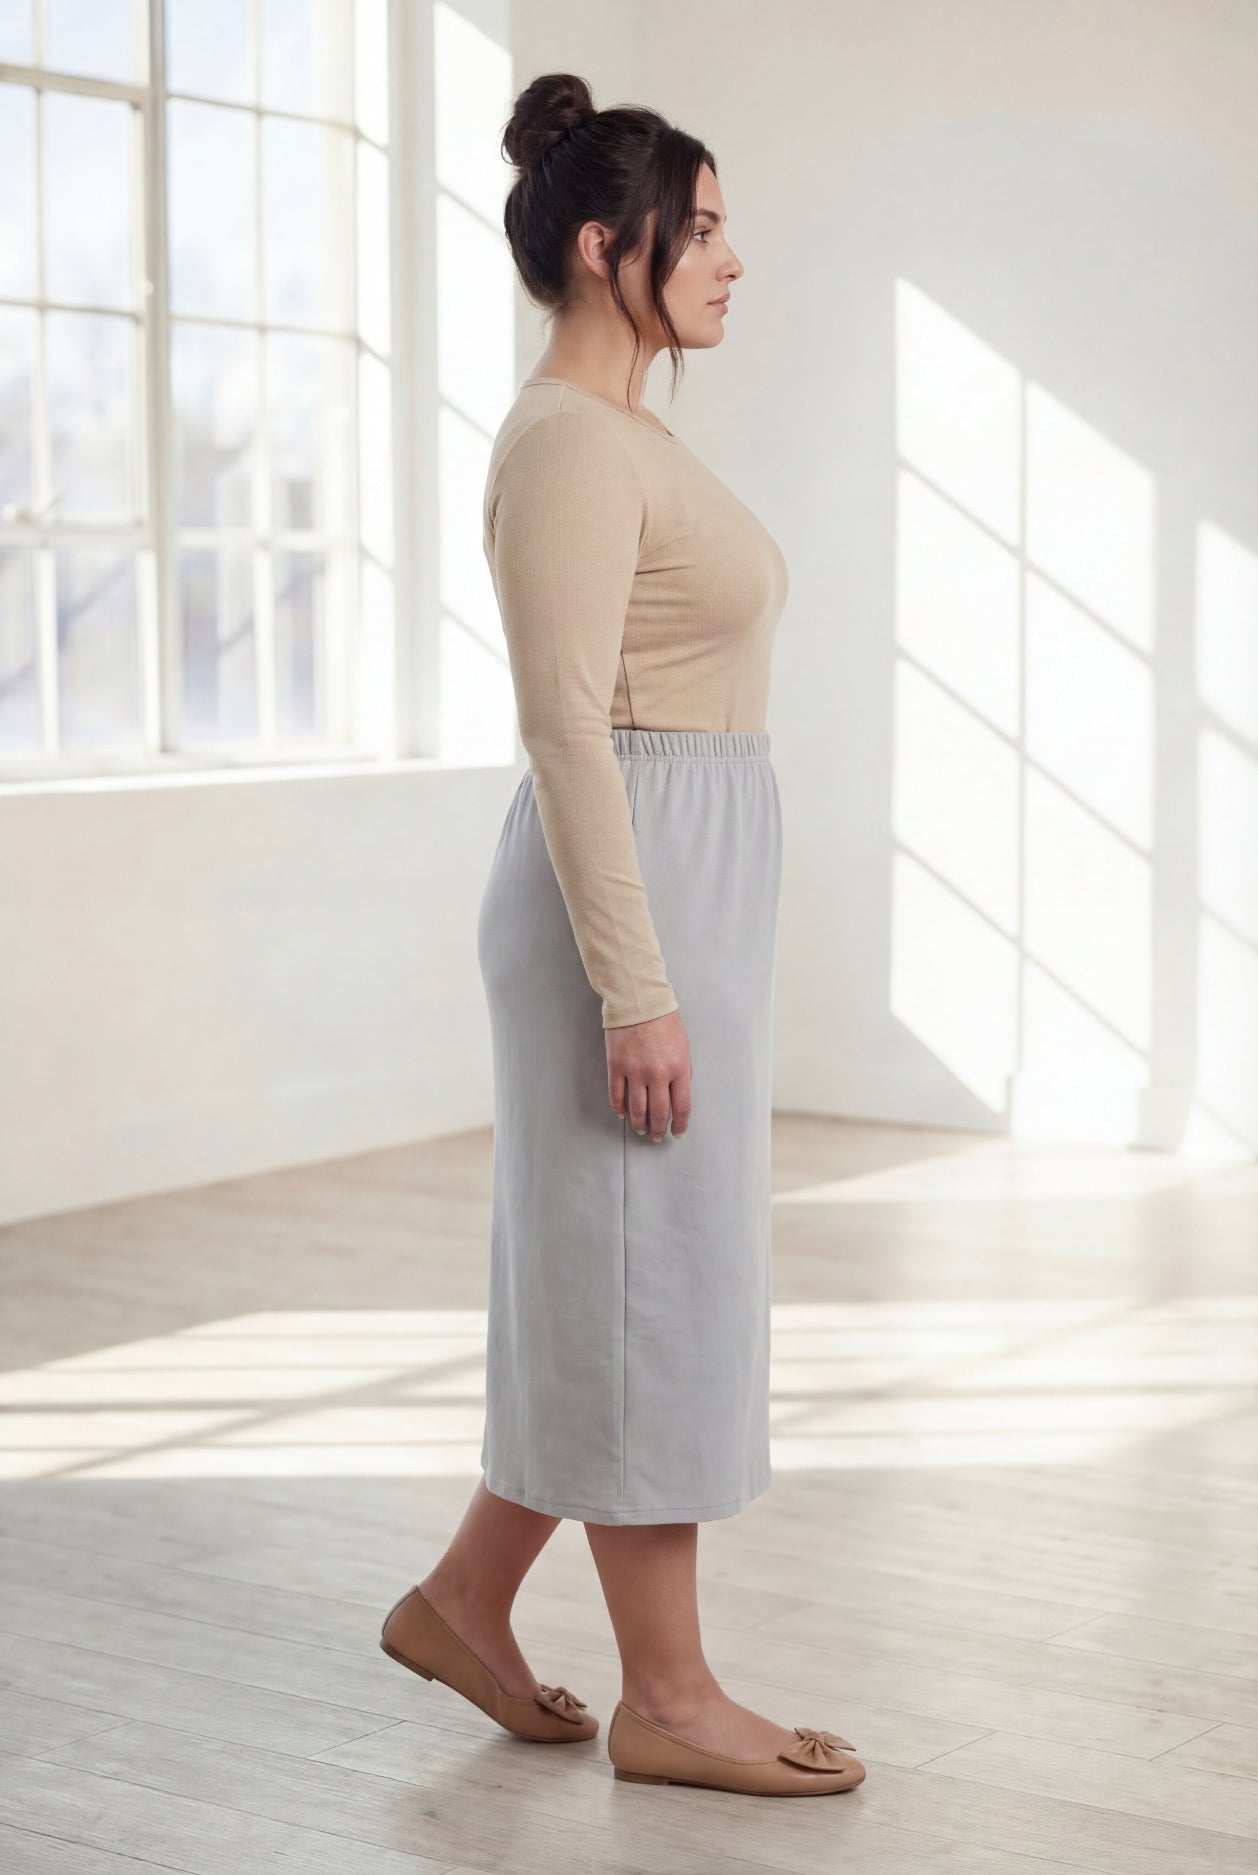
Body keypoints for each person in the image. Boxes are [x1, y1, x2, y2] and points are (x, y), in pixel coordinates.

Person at [379, 72, 865, 1799]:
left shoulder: (630, 435)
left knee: (623, 1274)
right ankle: (669, 1697)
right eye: (705, 228)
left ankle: (462, 1601)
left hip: (679, 885)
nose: (733, 260)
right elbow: (567, 729)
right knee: (645, 1286)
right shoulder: (570, 447)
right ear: (608, 247)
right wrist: (636, 987)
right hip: (627, 904)